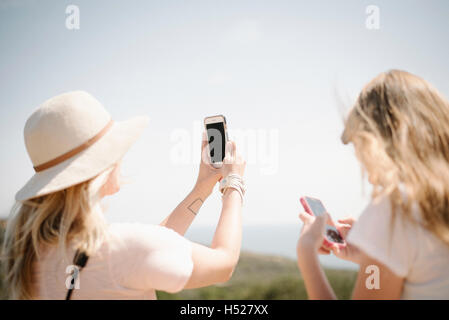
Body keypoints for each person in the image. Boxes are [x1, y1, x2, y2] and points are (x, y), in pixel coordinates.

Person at [1, 91, 246, 299]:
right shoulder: (120, 250)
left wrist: (202, 187)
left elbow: (156, 241)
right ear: (103, 165)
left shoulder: (32, 255)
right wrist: (233, 182)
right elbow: (224, 264)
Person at [296, 70, 449, 299]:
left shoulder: (394, 211)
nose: (368, 176)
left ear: (375, 142)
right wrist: (373, 252)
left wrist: (306, 252)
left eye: (359, 150)